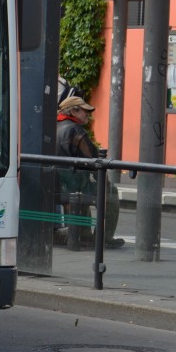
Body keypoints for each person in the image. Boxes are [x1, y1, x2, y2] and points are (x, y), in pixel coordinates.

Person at [56, 95, 123, 249]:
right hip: (72, 184)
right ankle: (105, 237)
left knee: (82, 189)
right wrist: (103, 181)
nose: (88, 114)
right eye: (85, 111)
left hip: (57, 184)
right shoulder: (75, 130)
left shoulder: (54, 126)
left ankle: (84, 234)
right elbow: (93, 159)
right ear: (74, 110)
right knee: (110, 191)